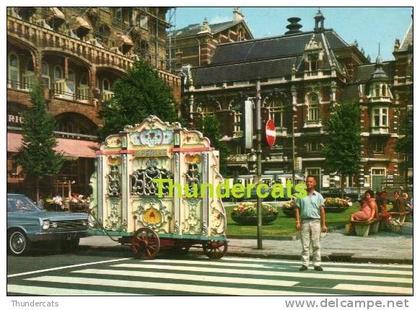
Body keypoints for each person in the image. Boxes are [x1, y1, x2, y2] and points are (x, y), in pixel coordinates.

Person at [295, 175, 327, 272]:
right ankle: (305, 264)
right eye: (307, 182)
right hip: (304, 222)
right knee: (305, 244)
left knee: (316, 244)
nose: (308, 183)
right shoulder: (301, 195)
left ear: (315, 183)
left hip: (315, 222)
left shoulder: (318, 196)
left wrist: (323, 224)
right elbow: (297, 209)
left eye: (311, 182)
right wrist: (297, 222)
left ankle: (317, 264)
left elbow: (322, 211)